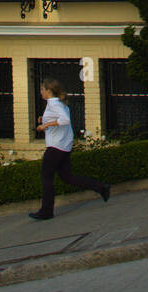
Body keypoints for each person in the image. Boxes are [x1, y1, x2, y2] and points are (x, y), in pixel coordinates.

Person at [29, 79, 110, 220]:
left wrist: (45, 125)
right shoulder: (58, 104)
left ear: (48, 91)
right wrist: (44, 120)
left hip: (55, 146)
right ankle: (101, 187)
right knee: (67, 177)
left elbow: (65, 120)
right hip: (63, 146)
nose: (40, 92)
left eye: (42, 89)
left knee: (46, 178)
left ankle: (46, 211)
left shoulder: (54, 103)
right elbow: (60, 119)